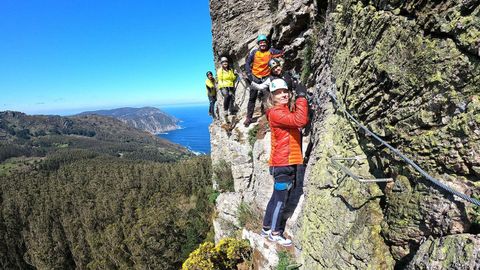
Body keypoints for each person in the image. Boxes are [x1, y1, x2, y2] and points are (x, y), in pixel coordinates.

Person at [260, 78, 308, 247]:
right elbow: (300, 121)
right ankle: (275, 233)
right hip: (283, 164)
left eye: (285, 91)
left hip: (281, 162)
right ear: (272, 97)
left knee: (275, 198)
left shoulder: (282, 111)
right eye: (278, 92)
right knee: (280, 200)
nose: (283, 94)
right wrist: (302, 97)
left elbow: (294, 117)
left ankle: (266, 227)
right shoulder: (275, 113)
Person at [244, 34, 283, 127]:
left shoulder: (271, 51)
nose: (263, 44)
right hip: (255, 77)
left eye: (264, 42)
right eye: (261, 42)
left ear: (267, 43)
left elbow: (281, 52)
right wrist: (249, 74)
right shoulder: (254, 52)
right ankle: (249, 118)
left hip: (266, 77)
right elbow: (247, 63)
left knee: (268, 97)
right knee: (252, 98)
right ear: (258, 43)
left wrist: (284, 51)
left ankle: (270, 117)